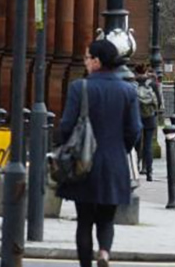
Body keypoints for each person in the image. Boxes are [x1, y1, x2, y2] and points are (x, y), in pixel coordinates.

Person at [58, 39, 142, 267]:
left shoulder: (80, 88)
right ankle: (104, 252)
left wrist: (67, 149)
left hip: (83, 163)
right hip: (114, 162)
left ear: (96, 61)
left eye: (87, 57)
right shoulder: (128, 91)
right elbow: (134, 129)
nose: (85, 62)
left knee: (84, 220)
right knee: (106, 218)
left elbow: (66, 126)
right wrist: (120, 149)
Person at [132, 64, 161, 181]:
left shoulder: (132, 84)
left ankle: (136, 168)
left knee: (136, 144)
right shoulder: (152, 84)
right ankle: (149, 172)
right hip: (150, 117)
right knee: (148, 145)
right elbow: (158, 102)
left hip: (136, 117)